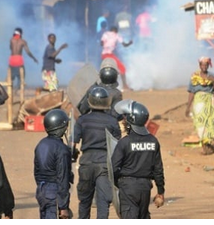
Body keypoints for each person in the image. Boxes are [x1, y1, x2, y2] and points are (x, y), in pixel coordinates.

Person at [111, 99, 165, 219]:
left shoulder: (124, 142)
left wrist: (118, 184)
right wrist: (160, 191)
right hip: (145, 187)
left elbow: (113, 168)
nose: (124, 120)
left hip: (127, 186)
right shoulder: (153, 141)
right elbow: (158, 169)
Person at [73, 87, 121, 219]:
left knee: (84, 201)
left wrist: (73, 154)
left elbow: (73, 143)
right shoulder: (112, 121)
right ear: (107, 102)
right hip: (105, 164)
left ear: (90, 102)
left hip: (86, 163)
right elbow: (117, 145)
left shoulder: (82, 120)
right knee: (103, 202)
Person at [34, 109, 73, 219]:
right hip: (54, 191)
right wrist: (63, 206)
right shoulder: (61, 149)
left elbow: (36, 171)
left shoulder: (41, 144)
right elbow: (63, 177)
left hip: (41, 189)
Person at [185, 56, 214, 155]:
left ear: (209, 66)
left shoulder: (213, 76)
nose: (204, 67)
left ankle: (208, 145)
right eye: (202, 65)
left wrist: (213, 82)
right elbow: (191, 92)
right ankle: (205, 146)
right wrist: (188, 107)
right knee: (200, 125)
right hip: (198, 104)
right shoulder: (194, 76)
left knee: (210, 124)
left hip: (209, 102)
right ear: (200, 65)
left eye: (206, 65)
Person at [101, 26, 132, 91]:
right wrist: (130, 43)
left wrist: (106, 46)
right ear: (116, 31)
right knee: (122, 68)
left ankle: (104, 86)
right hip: (109, 54)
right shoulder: (116, 35)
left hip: (103, 54)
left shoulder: (105, 34)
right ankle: (125, 86)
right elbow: (124, 45)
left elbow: (101, 43)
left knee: (106, 70)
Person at [9, 27, 38, 95]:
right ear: (21, 34)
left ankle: (9, 90)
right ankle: (15, 91)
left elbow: (10, 48)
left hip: (12, 59)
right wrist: (34, 58)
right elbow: (28, 52)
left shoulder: (11, 40)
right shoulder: (23, 41)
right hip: (19, 60)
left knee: (11, 76)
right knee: (21, 77)